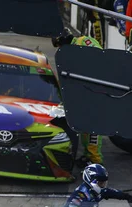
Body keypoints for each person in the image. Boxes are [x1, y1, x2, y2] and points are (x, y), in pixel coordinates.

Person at [52, 29, 104, 165]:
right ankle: (88, 156)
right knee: (84, 127)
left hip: (96, 91)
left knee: (93, 127)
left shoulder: (84, 42)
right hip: (83, 93)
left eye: (59, 45)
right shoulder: (68, 55)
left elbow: (101, 57)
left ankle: (96, 161)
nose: (60, 49)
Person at [65, 164, 132, 207]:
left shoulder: (98, 190)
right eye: (101, 183)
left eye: (104, 182)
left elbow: (111, 192)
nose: (103, 185)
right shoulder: (79, 195)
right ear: (90, 180)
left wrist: (128, 197)